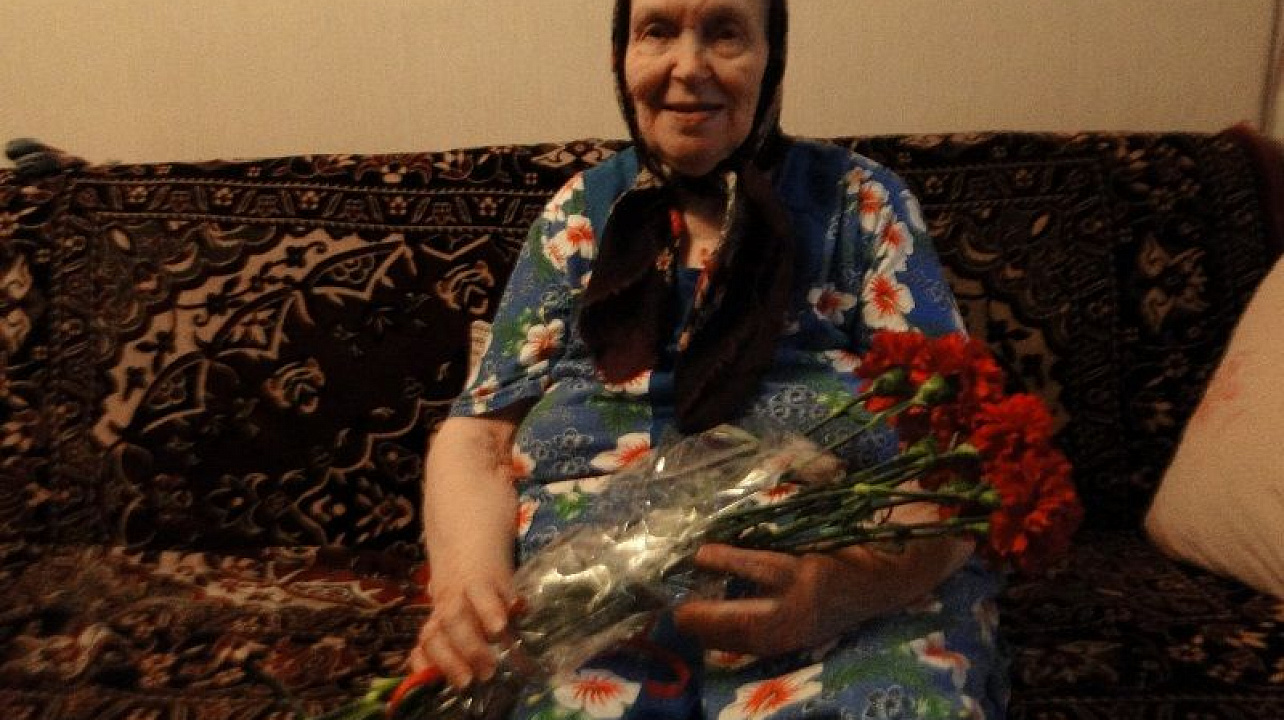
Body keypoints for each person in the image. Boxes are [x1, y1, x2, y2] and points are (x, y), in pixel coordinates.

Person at [410, 0, 1008, 717]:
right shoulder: (578, 216)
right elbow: (480, 434)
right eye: (657, 31)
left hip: (837, 606)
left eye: (725, 33)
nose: (688, 67)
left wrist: (841, 590)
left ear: (771, 57)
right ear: (621, 57)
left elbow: (961, 444)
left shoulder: (861, 204)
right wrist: (469, 589)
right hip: (581, 614)